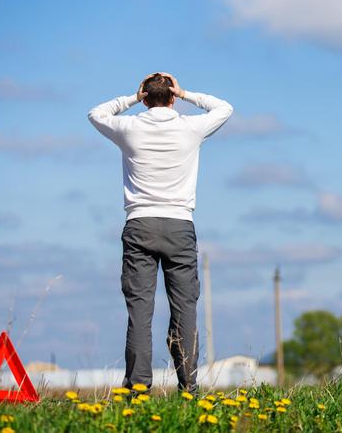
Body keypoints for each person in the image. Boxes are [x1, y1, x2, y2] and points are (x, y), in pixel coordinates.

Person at [87, 72, 233, 392]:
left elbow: (96, 114)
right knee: (185, 308)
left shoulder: (129, 127)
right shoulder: (190, 127)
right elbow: (224, 108)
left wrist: (130, 99)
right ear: (171, 98)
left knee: (139, 310)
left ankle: (138, 390)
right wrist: (187, 93)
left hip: (139, 224)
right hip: (180, 226)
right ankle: (189, 389)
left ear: (145, 97)